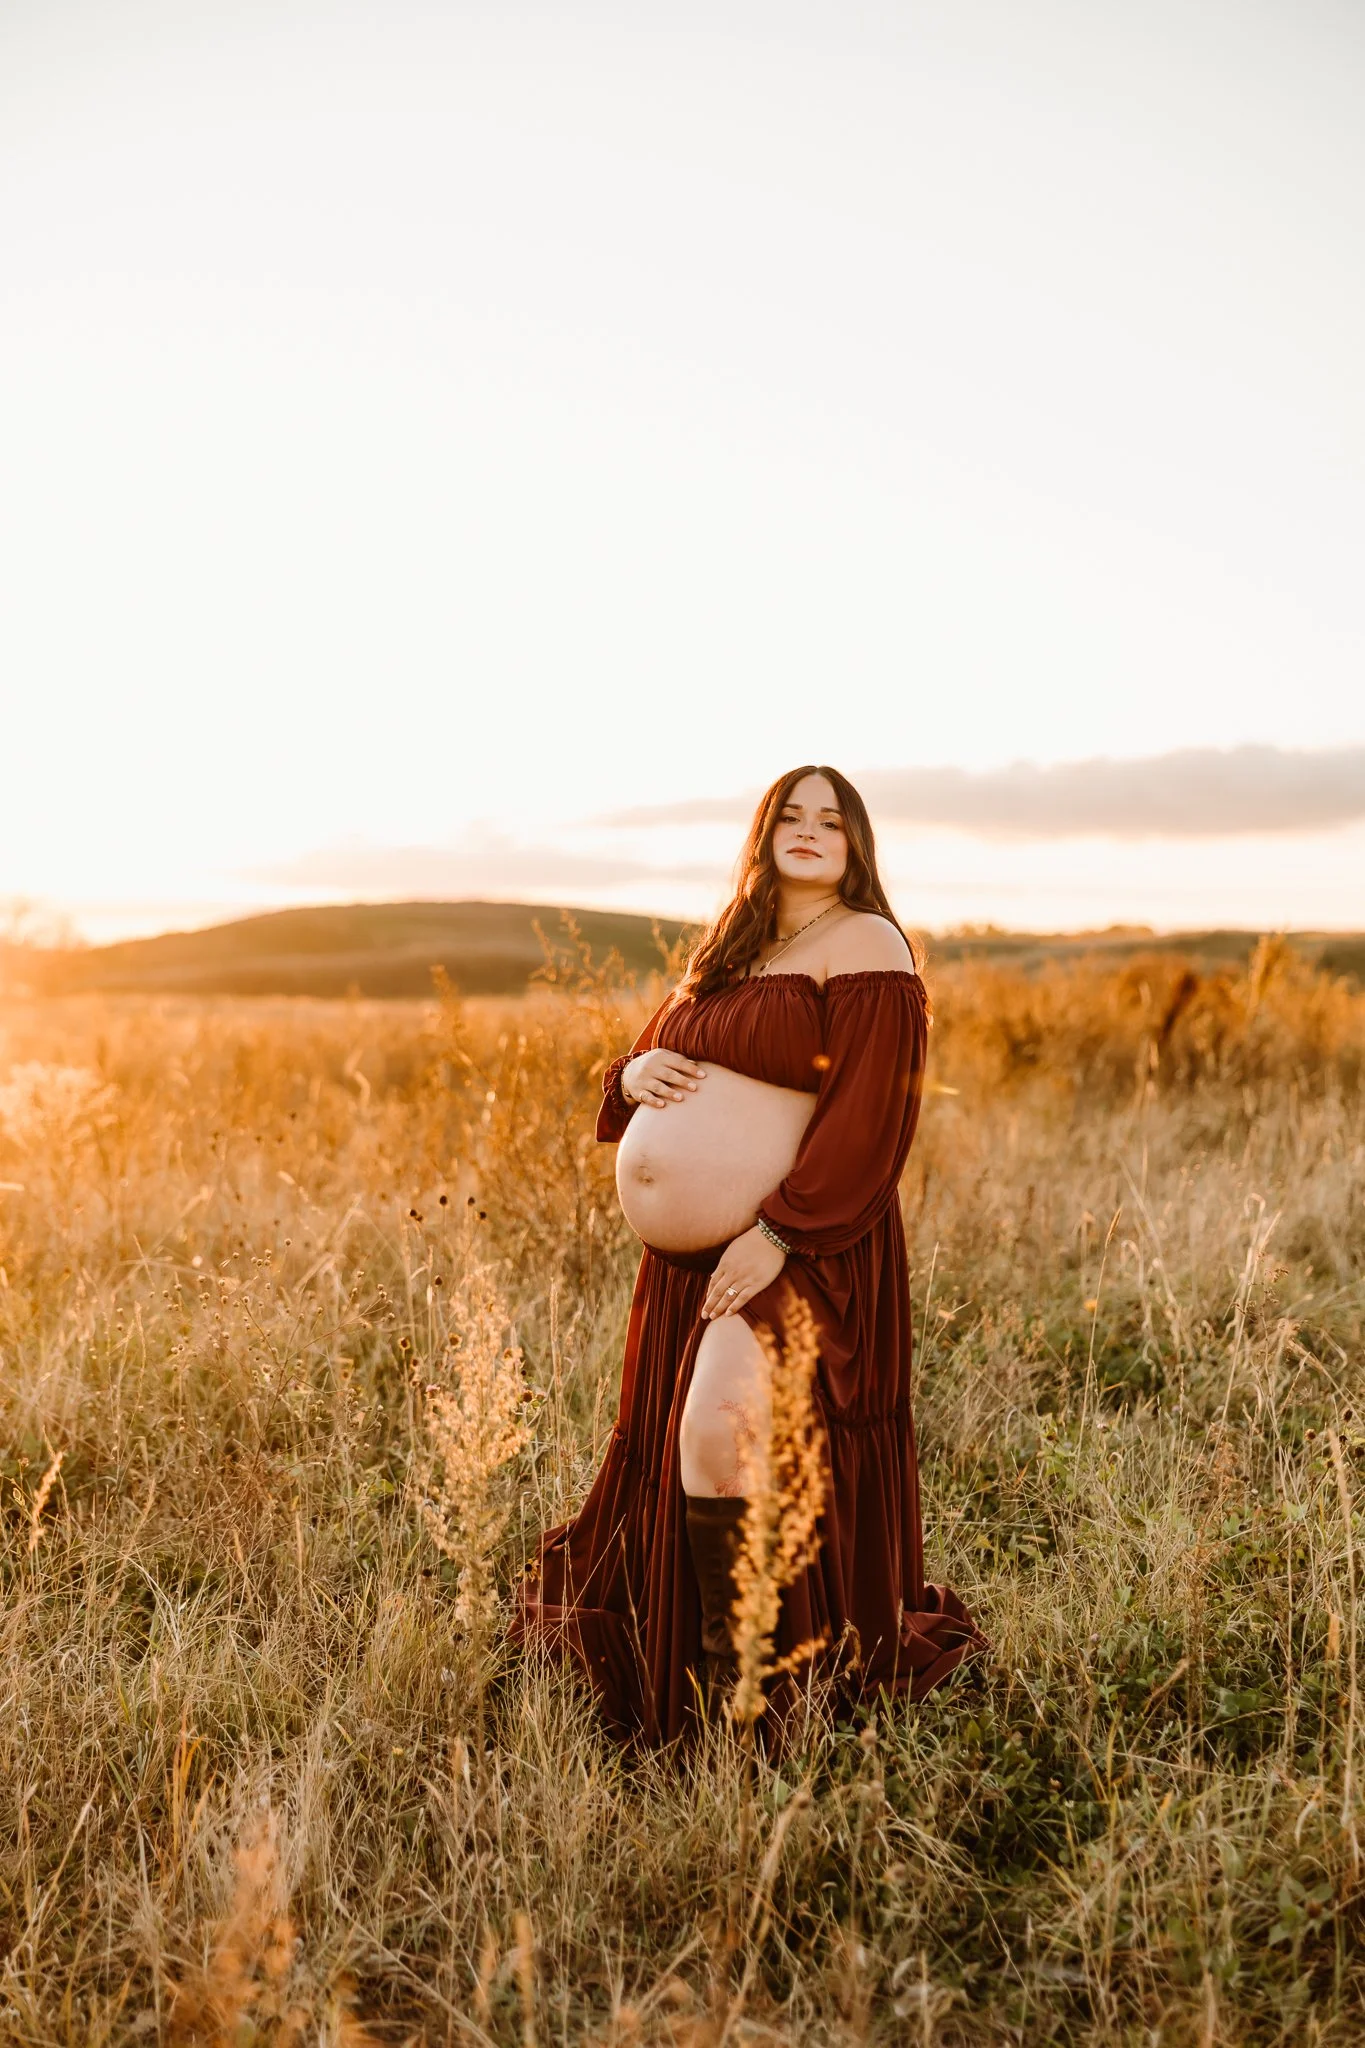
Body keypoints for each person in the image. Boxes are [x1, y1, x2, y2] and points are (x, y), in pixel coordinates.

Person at [512, 765, 985, 1744]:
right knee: (705, 1454)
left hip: (804, 1244)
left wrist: (781, 1231)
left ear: (856, 842)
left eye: (831, 820)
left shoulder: (868, 941)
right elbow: (655, 1056)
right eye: (790, 816)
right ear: (764, 833)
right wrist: (631, 1070)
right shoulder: (731, 945)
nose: (809, 832)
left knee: (721, 1444)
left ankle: (755, 1705)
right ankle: (706, 1683)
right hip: (694, 1262)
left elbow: (873, 1113)